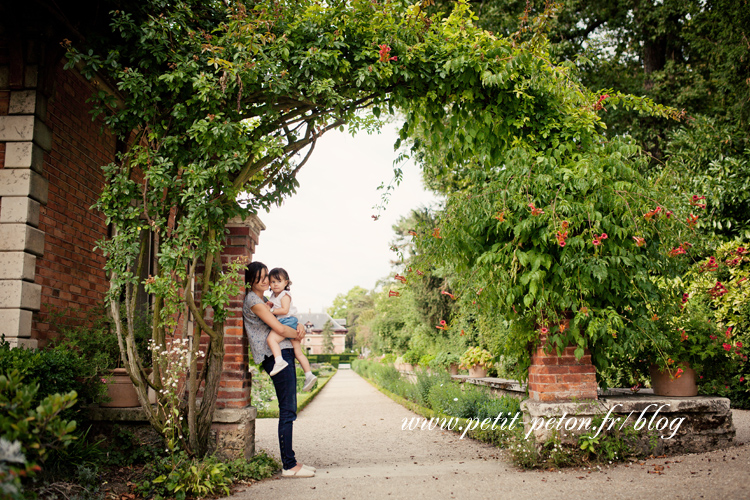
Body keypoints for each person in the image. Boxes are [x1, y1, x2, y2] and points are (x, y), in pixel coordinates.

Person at [243, 261, 316, 478]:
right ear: (251, 280)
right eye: (262, 277)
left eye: (268, 276)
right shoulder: (254, 301)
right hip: (274, 356)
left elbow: (286, 320)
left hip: (282, 353)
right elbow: (279, 328)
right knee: (287, 409)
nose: (267, 281)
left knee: (289, 408)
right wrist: (299, 333)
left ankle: (291, 462)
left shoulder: (265, 300)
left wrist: (299, 325)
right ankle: (289, 465)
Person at [265, 267, 317, 391]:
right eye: (273, 282)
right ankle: (309, 375)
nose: (275, 284)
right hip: (289, 322)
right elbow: (273, 305)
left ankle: (279, 361)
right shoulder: (273, 295)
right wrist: (269, 305)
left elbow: (284, 310)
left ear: (286, 282)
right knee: (298, 352)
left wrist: (270, 310)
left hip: (286, 321)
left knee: (271, 340)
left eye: (279, 281)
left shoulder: (284, 295)